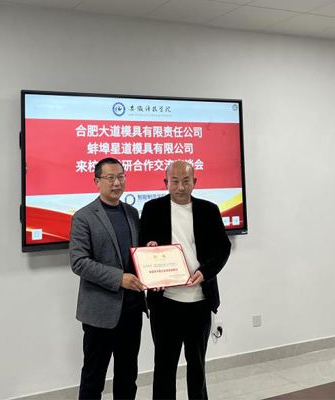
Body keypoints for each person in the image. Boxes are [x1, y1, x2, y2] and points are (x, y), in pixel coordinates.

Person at [140, 160, 231, 400]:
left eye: (186, 181)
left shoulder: (209, 210)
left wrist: (206, 272)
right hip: (165, 302)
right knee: (164, 366)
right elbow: (142, 245)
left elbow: (222, 248)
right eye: (175, 181)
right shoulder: (152, 209)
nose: (180, 187)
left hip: (199, 301)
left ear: (195, 182)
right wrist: (149, 248)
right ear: (166, 183)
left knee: (197, 365)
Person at [70, 157, 146, 400]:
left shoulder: (132, 213)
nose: (117, 183)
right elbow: (79, 262)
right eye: (110, 178)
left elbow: (136, 254)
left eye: (121, 177)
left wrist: (150, 253)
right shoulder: (83, 217)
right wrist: (118, 278)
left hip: (131, 309)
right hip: (100, 312)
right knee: (93, 378)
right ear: (96, 181)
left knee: (127, 376)